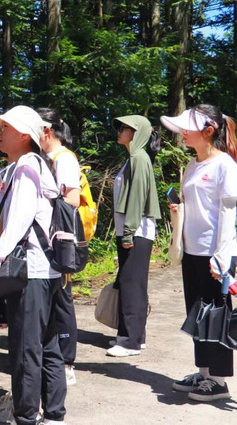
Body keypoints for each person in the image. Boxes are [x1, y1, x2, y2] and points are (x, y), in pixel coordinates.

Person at [0, 105, 66, 425]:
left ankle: (27, 417)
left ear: (26, 135)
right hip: (46, 269)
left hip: (31, 271)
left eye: (6, 128)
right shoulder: (31, 165)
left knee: (26, 349)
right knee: (48, 344)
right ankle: (54, 414)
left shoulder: (27, 166)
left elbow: (18, 220)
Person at [161, 105, 237, 402]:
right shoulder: (193, 164)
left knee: (216, 317)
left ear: (208, 131)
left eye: (187, 128)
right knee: (197, 315)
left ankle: (218, 381)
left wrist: (222, 256)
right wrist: (180, 207)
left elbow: (228, 214)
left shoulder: (225, 165)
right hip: (192, 251)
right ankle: (204, 373)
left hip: (214, 253)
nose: (182, 133)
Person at [107, 115, 160, 358]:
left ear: (137, 133)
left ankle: (130, 342)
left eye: (124, 128)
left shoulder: (139, 158)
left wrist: (128, 232)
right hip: (132, 230)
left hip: (136, 231)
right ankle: (134, 336)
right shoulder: (133, 158)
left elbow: (137, 197)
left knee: (131, 285)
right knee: (132, 284)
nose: (119, 131)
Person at [37, 108, 81, 386]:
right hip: (46, 239)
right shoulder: (44, 157)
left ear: (47, 131)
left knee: (62, 299)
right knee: (52, 300)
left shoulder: (63, 158)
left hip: (59, 240)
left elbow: (73, 199)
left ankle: (66, 363)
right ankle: (53, 360)